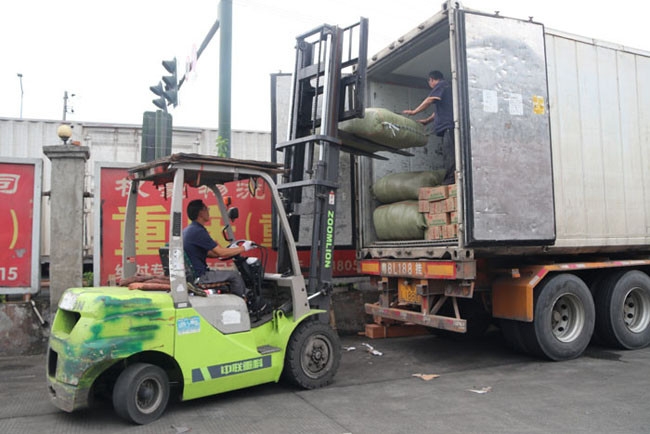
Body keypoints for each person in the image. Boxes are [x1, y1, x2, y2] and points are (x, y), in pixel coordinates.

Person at [183, 199, 264, 311]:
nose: (208, 211)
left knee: (228, 276)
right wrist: (244, 248)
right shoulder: (198, 231)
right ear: (201, 212)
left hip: (195, 274)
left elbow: (212, 253)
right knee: (235, 275)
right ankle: (247, 306)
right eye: (207, 209)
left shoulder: (189, 230)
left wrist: (227, 252)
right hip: (201, 276)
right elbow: (220, 251)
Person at [403, 70, 455, 185]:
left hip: (449, 127)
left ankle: (451, 180)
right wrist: (427, 121)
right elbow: (438, 112)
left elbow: (430, 100)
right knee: (448, 154)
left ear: (431, 80)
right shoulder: (446, 90)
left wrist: (414, 112)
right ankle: (450, 178)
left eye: (429, 82)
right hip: (447, 128)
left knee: (450, 155)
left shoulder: (441, 85)